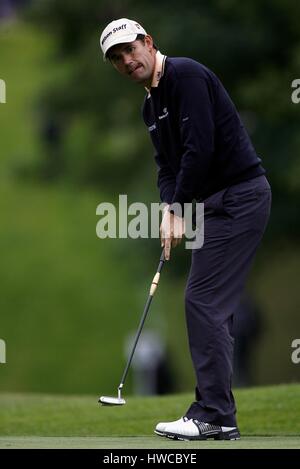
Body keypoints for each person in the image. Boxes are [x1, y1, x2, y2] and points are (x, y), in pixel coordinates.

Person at [99, 18, 272, 441]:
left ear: (148, 43)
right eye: (117, 58)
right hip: (216, 207)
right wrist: (167, 211)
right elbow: (167, 167)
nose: (126, 60)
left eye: (130, 49)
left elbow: (201, 147)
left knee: (202, 301)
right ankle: (217, 412)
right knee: (208, 305)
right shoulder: (149, 106)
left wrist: (179, 210)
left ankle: (213, 413)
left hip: (239, 198)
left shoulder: (187, 75)